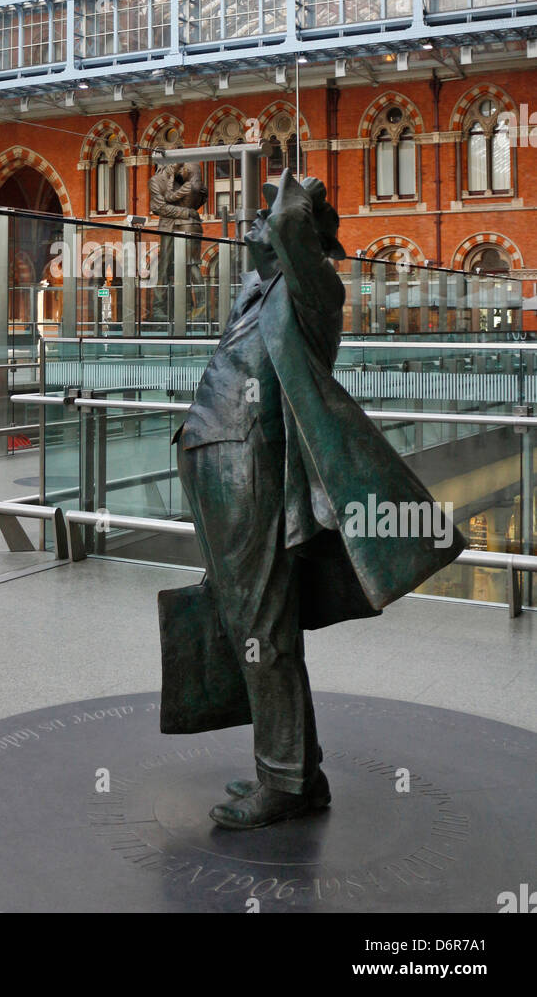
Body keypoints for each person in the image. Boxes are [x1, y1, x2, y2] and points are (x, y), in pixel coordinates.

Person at [163, 169, 466, 829]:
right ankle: (293, 766)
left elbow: (292, 222)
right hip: (222, 471)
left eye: (260, 222)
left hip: (255, 471)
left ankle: (287, 779)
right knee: (245, 620)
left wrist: (294, 186)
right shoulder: (258, 293)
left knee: (260, 624)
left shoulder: (314, 292)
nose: (250, 227)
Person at [148, 160, 207, 322]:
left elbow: (193, 201)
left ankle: (187, 309)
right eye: (177, 165)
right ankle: (159, 309)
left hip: (185, 227)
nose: (181, 168)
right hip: (169, 228)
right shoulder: (155, 181)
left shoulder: (182, 179)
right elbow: (160, 207)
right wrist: (187, 212)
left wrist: (201, 192)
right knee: (165, 268)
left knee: (186, 268)